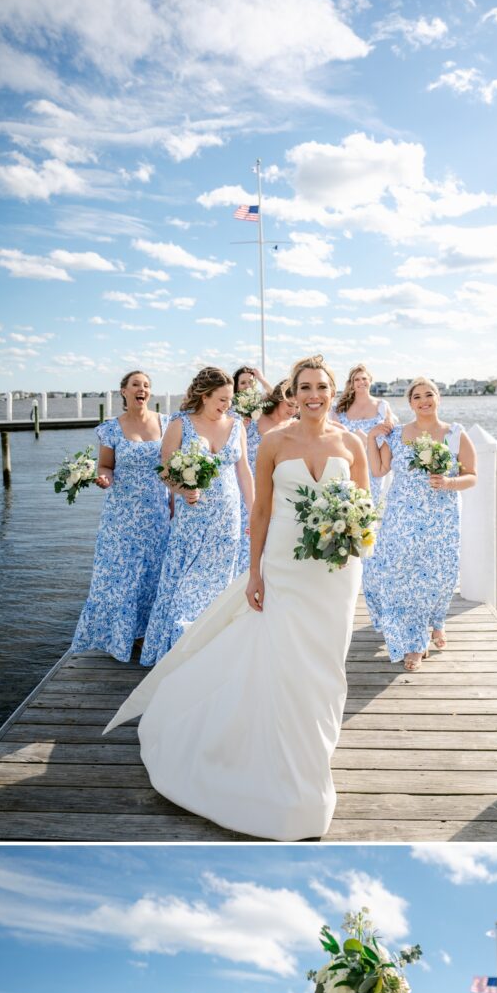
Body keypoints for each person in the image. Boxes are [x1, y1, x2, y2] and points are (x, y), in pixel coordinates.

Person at [104, 357, 371, 839]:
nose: (314, 395)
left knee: (328, 660)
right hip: (285, 565)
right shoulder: (272, 441)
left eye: (322, 387)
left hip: (337, 571)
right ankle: (293, 764)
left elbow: (367, 509)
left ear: (334, 392)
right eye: (305, 387)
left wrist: (356, 536)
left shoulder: (351, 442)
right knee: (286, 656)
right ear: (293, 391)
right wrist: (254, 573)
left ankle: (317, 736)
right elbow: (262, 511)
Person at [140, 366, 253, 665]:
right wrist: (181, 489)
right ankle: (180, 650)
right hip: (193, 516)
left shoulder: (237, 425)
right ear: (204, 396)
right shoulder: (180, 424)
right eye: (221, 399)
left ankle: (213, 649)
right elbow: (165, 471)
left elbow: (244, 473)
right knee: (186, 582)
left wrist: (253, 513)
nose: (227, 405)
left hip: (228, 517)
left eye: (230, 400)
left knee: (219, 582)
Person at [365, 376, 477, 670]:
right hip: (401, 518)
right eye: (417, 396)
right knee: (393, 572)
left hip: (440, 518)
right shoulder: (398, 433)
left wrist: (450, 481)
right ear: (410, 403)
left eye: (429, 394)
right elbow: (378, 470)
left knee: (437, 575)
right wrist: (370, 439)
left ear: (438, 398)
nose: (424, 400)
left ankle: (431, 627)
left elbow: (472, 475)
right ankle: (415, 636)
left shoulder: (455, 434)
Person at [71, 370, 171, 661]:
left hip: (156, 513)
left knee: (153, 572)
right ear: (124, 392)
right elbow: (105, 466)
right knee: (120, 575)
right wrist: (104, 478)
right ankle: (121, 635)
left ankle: (147, 634)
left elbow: (174, 468)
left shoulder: (166, 424)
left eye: (147, 386)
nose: (143, 389)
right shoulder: (110, 429)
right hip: (122, 516)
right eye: (136, 385)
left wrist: (176, 504)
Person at [239, 380, 297, 574]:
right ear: (278, 399)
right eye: (290, 404)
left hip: (277, 497)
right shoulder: (253, 419)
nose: (293, 410)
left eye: (297, 406)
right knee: (244, 549)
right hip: (247, 492)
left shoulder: (296, 428)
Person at [332, 363, 398, 502]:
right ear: (351, 384)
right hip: (350, 462)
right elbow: (334, 437)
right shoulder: (340, 408)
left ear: (370, 381)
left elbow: (391, 431)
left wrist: (370, 439)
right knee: (348, 505)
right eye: (356, 379)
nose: (361, 382)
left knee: (371, 505)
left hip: (374, 463)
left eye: (364, 378)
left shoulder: (382, 406)